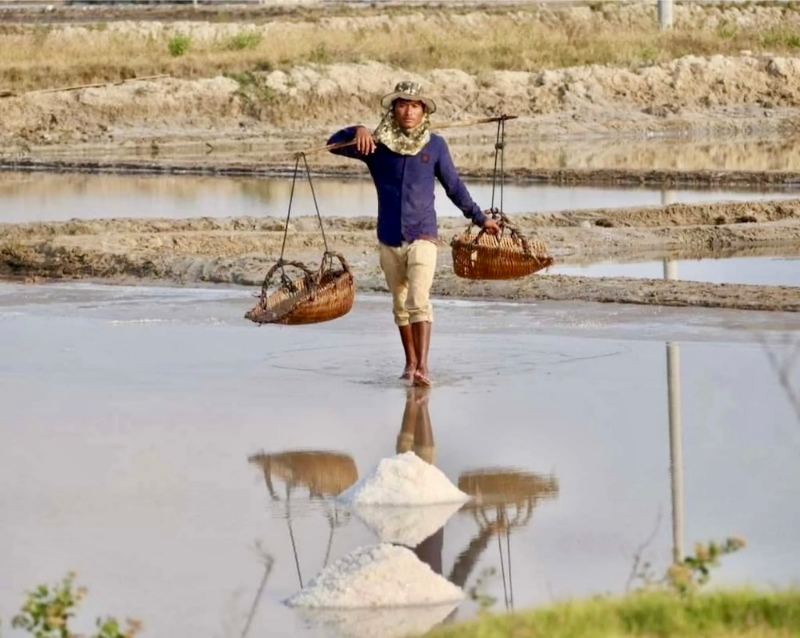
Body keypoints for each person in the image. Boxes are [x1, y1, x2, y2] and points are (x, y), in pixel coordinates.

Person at [326, 80, 500, 387]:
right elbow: (331, 143)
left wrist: (480, 217)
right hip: (389, 237)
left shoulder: (434, 145)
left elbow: (453, 187)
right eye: (403, 105)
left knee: (419, 300)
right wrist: (358, 129)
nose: (408, 111)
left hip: (423, 235)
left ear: (423, 111)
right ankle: (409, 363)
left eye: (415, 106)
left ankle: (423, 367)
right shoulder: (375, 145)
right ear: (393, 109)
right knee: (400, 304)